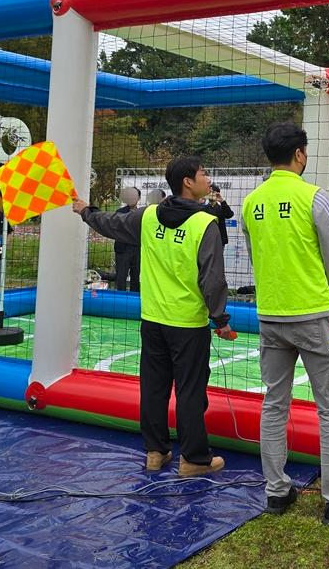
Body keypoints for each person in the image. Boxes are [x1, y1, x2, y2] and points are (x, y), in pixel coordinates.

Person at [242, 122, 329, 526]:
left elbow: (254, 255)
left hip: (270, 315)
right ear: (299, 154)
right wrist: (319, 286)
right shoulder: (313, 197)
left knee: (274, 403)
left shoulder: (251, 202)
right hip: (313, 314)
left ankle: (277, 492)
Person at [73, 157, 231, 477]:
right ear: (188, 181)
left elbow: (110, 224)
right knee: (189, 391)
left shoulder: (147, 216)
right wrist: (221, 320)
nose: (208, 177)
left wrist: (86, 211)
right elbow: (212, 278)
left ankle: (155, 452)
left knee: (155, 388)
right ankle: (194, 459)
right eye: (203, 173)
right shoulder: (205, 223)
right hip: (187, 323)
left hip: (153, 320)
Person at [113, 187, 142, 292]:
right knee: (121, 276)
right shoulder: (119, 212)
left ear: (139, 198)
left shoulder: (142, 213)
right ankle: (120, 300)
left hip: (137, 249)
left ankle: (133, 300)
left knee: (135, 276)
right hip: (123, 249)